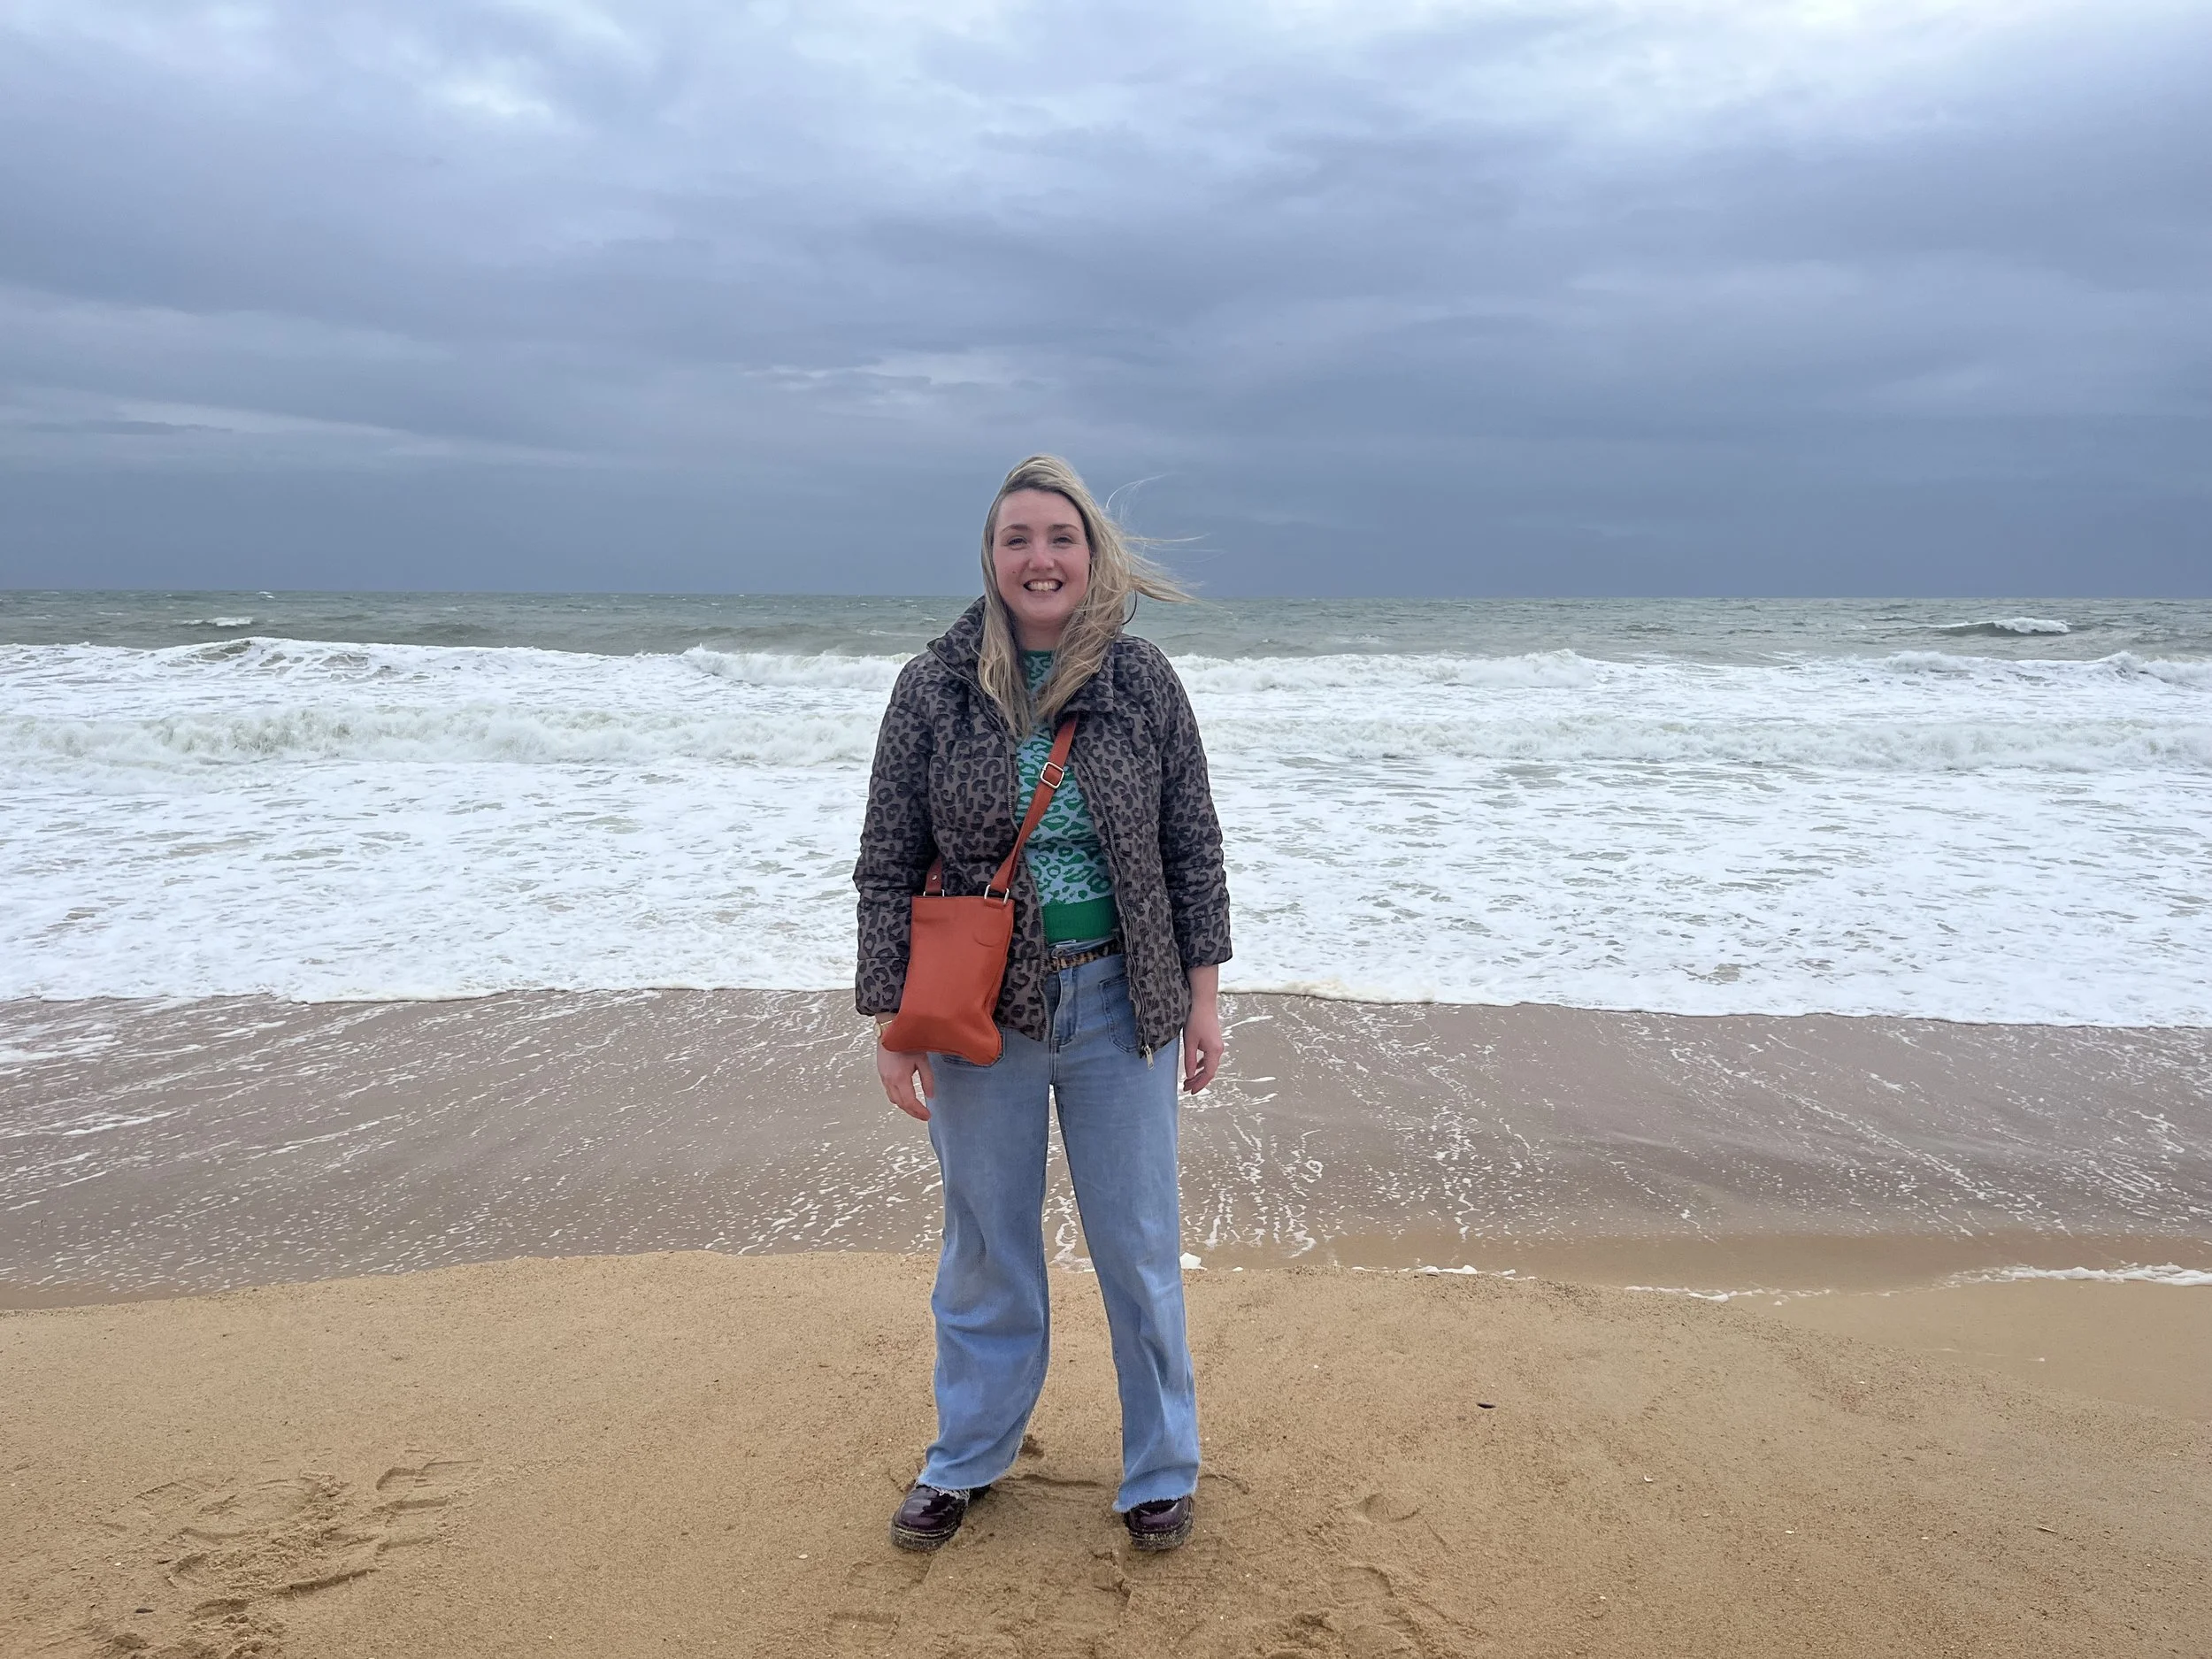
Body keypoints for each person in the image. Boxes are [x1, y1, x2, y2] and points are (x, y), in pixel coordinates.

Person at [854, 454, 1233, 1554]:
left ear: (1090, 555)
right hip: (983, 1011)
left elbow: (1190, 848)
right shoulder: (932, 687)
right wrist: (891, 1019)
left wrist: (1202, 1001)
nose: (1040, 558)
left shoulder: (1143, 681)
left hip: (1125, 1003)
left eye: (1059, 538)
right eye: (1018, 538)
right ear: (990, 557)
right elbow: (887, 859)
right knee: (986, 1248)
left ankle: (1159, 1467)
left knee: (1137, 1247)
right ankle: (965, 1457)